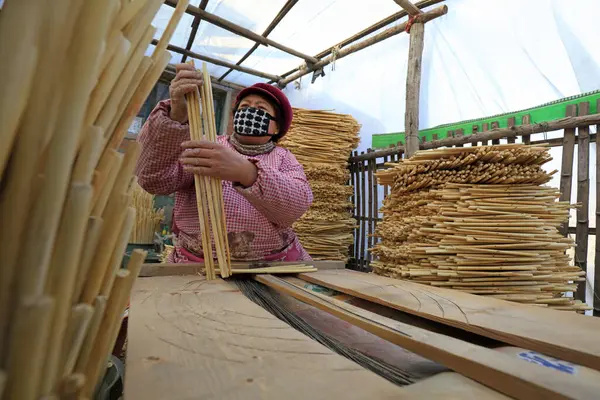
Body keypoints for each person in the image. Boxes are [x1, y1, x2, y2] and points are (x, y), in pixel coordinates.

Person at [135, 63, 313, 263]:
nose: (250, 112)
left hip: (269, 266)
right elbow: (155, 180)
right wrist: (177, 115)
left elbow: (295, 206)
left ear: (276, 127)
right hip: (198, 266)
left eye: (261, 109)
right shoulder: (208, 145)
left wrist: (247, 173)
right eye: (244, 107)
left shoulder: (284, 157)